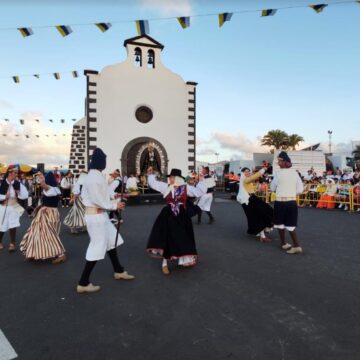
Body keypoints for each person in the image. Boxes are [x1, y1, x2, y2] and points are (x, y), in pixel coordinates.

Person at [77, 148, 134, 294]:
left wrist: (116, 196)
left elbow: (104, 193)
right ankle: (83, 282)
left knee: (110, 241)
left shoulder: (97, 175)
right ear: (101, 161)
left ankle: (118, 270)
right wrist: (115, 205)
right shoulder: (94, 178)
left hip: (100, 216)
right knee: (97, 246)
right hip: (96, 217)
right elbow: (97, 199)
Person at [146, 166, 207, 275]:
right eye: (170, 177)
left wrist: (202, 181)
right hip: (168, 216)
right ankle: (164, 263)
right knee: (167, 238)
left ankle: (182, 258)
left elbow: (199, 192)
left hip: (181, 217)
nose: (170, 179)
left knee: (182, 238)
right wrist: (150, 175)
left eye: (172, 177)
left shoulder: (186, 188)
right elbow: (154, 184)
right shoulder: (166, 187)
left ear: (178, 178)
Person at [20, 172, 66, 263]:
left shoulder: (50, 189)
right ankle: (32, 252)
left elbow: (44, 185)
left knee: (47, 234)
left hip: (47, 213)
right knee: (37, 232)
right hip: (51, 213)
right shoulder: (56, 189)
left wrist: (41, 179)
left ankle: (60, 254)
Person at [270, 151, 304, 254]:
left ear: (284, 162)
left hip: (280, 202)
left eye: (280, 161)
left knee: (280, 223)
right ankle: (294, 245)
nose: (278, 163)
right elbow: (300, 190)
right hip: (292, 202)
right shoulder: (295, 174)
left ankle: (285, 244)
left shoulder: (278, 174)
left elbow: (272, 188)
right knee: (291, 224)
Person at [237, 166, 273, 242]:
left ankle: (262, 230)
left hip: (252, 198)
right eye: (246, 171)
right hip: (249, 200)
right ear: (243, 173)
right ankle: (262, 235)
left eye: (249, 171)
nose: (248, 172)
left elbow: (254, 181)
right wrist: (263, 170)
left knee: (264, 212)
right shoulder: (245, 180)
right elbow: (254, 177)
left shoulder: (247, 180)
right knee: (258, 216)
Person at [0, 165, 29, 252]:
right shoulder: (1, 183)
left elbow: (25, 195)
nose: (16, 174)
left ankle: (12, 243)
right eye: (15, 173)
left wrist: (19, 193)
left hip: (13, 206)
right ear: (9, 173)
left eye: (16, 173)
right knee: (2, 225)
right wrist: (5, 196)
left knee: (13, 225)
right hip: (3, 206)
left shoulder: (18, 183)